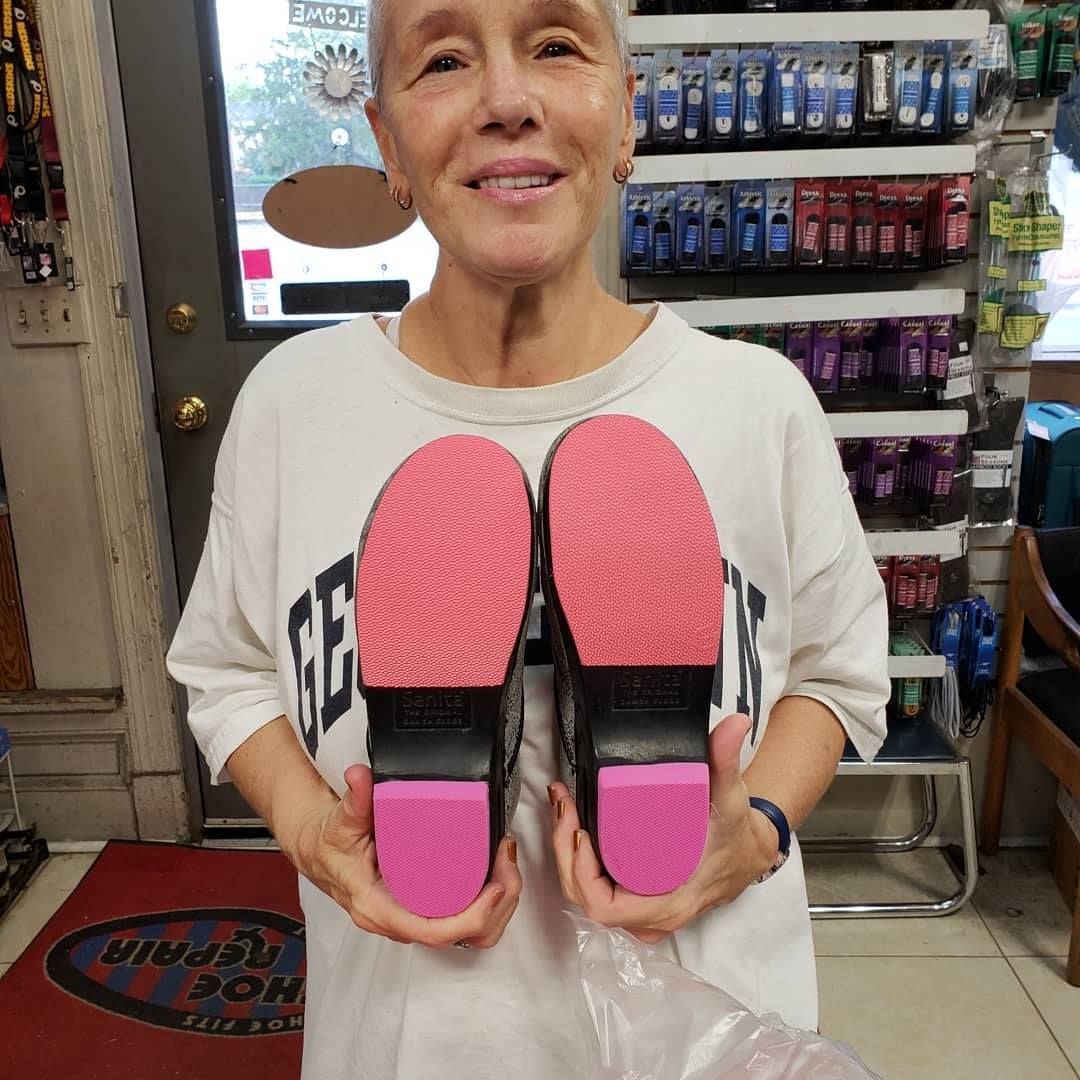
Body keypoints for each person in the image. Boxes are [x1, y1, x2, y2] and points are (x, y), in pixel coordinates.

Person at [166, 1, 891, 1076]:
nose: (507, 101)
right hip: (411, 1039)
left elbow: (838, 676)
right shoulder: (293, 405)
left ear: (627, 116)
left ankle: (628, 776)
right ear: (387, 141)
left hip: (704, 1029)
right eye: (445, 60)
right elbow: (226, 674)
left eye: (556, 46)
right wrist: (316, 833)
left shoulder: (757, 402)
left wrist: (759, 829)